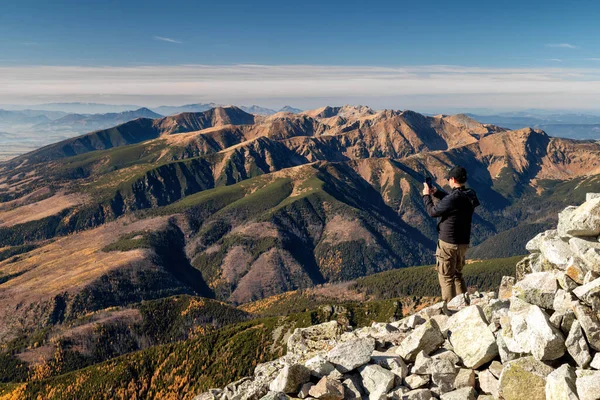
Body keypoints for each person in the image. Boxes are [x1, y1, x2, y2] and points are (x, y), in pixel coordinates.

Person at [422, 165, 480, 314]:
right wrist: (438, 193)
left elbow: (433, 212)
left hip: (448, 243)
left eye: (449, 179)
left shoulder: (454, 198)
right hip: (463, 242)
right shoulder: (470, 194)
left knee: (446, 276)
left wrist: (426, 196)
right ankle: (464, 307)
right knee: (458, 275)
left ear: (453, 179)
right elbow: (454, 200)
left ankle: (450, 310)